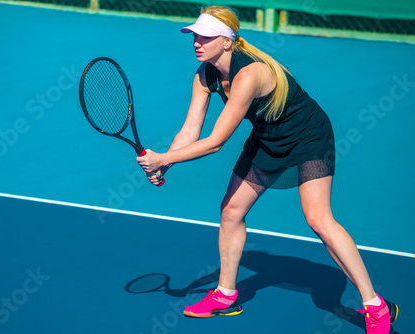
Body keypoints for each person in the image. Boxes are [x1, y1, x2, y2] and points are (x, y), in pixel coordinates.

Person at [136, 5, 397, 333]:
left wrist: (162, 159)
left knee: (318, 218)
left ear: (227, 41)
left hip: (308, 138)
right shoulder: (205, 75)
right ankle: (226, 295)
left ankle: (374, 305)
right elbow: (191, 129)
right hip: (266, 140)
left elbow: (216, 141)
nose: (197, 42)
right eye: (195, 35)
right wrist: (167, 160)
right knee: (230, 211)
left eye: (206, 36)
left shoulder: (249, 74)